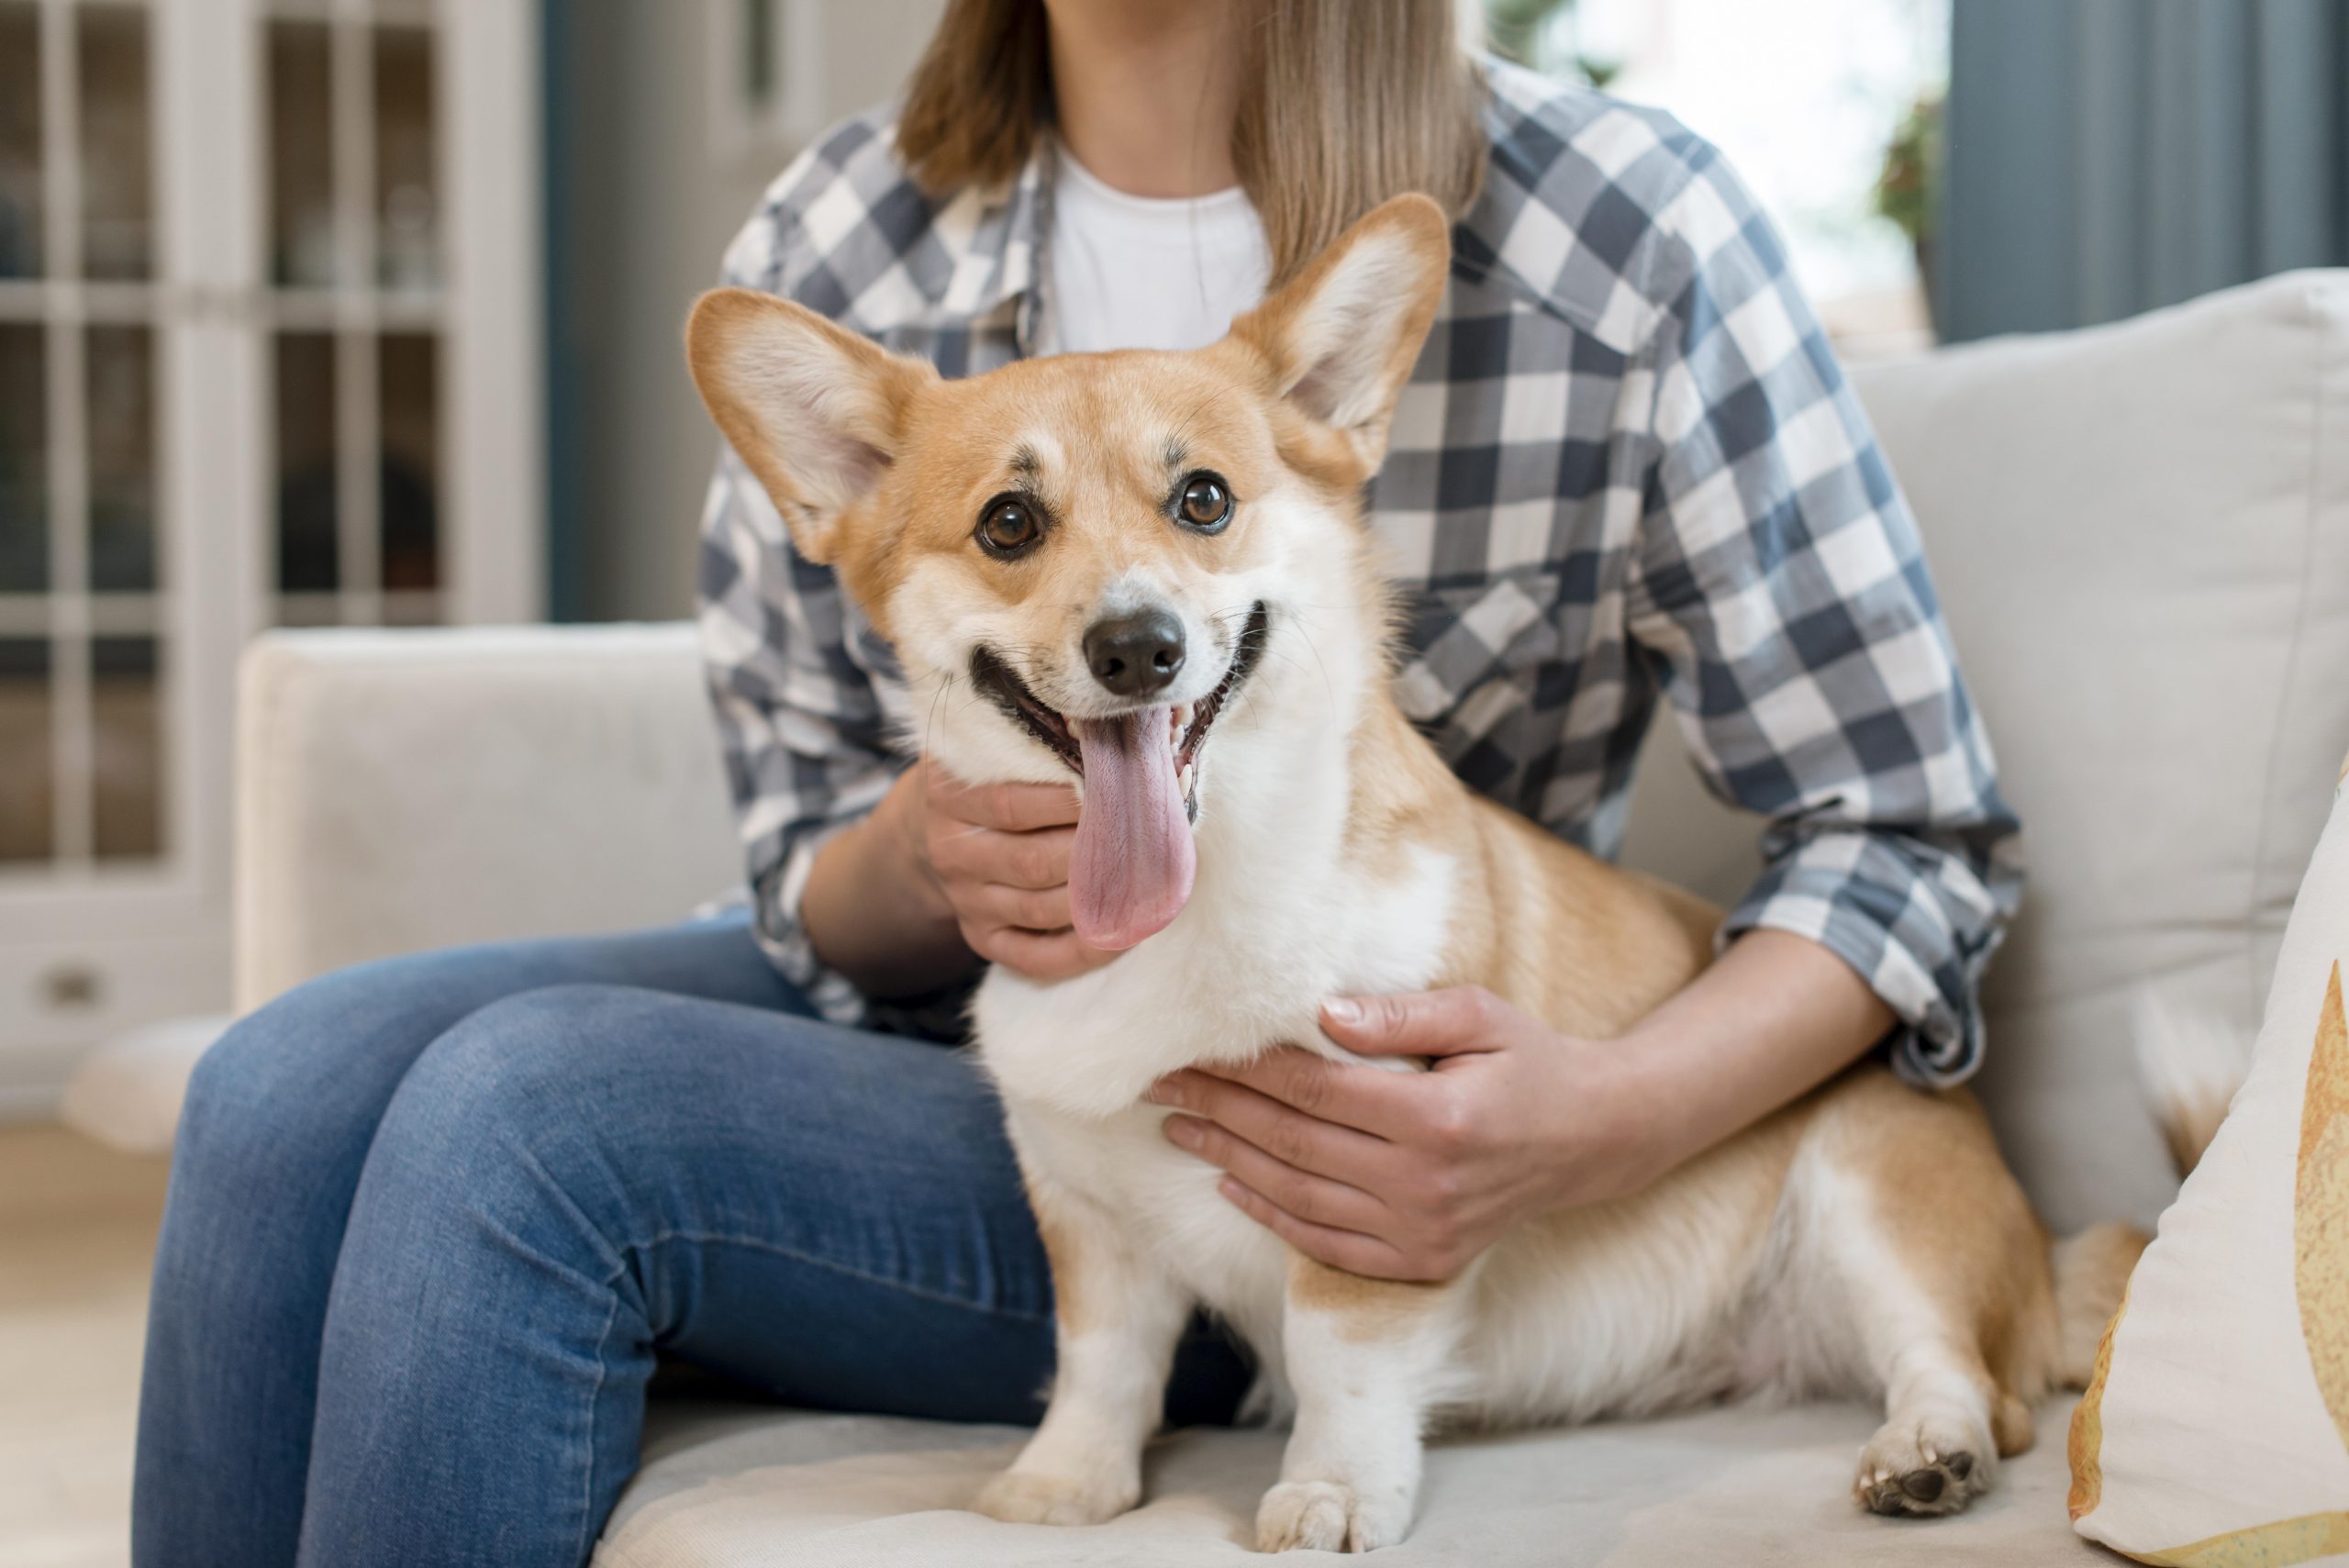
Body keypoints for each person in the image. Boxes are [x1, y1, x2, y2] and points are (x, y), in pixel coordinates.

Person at [131, 2, 2021, 1563]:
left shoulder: (1626, 230)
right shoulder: (845, 234)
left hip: (1317, 1128)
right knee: (280, 1087)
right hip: (951, 1034)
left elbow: (1906, 831)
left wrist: (1596, 1120)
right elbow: (803, 868)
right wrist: (932, 854)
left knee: (520, 1123)